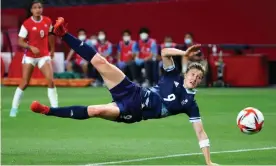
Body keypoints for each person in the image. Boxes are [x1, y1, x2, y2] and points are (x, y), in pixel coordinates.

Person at [30, 17, 218, 166]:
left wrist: (208, 162)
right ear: (187, 73)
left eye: (199, 77)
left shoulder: (190, 105)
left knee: (95, 111)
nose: (195, 78)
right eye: (193, 73)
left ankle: (48, 111)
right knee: (101, 62)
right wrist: (184, 53)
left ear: (199, 82)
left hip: (132, 110)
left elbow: (201, 133)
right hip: (132, 90)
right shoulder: (173, 75)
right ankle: (63, 33)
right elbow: (165, 52)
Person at [9, 0, 58, 117]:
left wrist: (52, 50)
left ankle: (56, 108)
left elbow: (51, 35)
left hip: (44, 56)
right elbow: (20, 41)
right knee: (25, 82)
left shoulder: (47, 21)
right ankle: (14, 108)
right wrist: (30, 46)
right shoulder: (26, 24)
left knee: (50, 81)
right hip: (30, 57)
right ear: (31, 10)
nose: (38, 10)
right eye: (35, 8)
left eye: (40, 7)